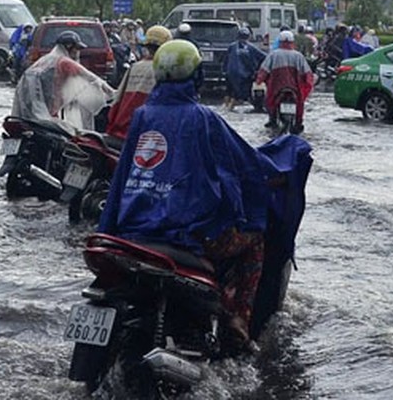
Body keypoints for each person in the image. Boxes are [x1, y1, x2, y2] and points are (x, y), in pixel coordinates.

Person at [98, 39, 273, 347]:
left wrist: (107, 229)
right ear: (197, 77)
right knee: (255, 240)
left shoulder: (143, 115)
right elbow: (245, 162)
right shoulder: (203, 118)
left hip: (132, 230)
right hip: (190, 235)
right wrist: (279, 168)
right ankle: (237, 321)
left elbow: (121, 177)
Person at [11, 30, 116, 130]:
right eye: (77, 48)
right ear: (69, 47)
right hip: (45, 114)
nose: (78, 52)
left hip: (29, 113)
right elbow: (91, 79)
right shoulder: (64, 62)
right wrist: (113, 94)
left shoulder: (45, 60)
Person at [105, 24, 171, 139]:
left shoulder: (135, 67)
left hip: (122, 131)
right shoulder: (165, 70)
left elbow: (116, 102)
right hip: (148, 134)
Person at [255, 30, 314, 132]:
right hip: (295, 89)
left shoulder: (273, 55)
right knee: (300, 103)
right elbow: (308, 74)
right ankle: (298, 122)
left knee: (270, 101)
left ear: (280, 42)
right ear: (292, 42)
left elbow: (263, 71)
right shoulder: (298, 56)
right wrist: (310, 84)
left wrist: (259, 81)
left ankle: (273, 120)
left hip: (276, 89)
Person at [224, 27, 265, 110]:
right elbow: (264, 56)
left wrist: (224, 71)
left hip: (230, 73)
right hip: (244, 75)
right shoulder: (251, 47)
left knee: (229, 92)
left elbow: (226, 60)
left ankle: (227, 106)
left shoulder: (231, 46)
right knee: (239, 93)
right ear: (248, 37)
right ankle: (231, 105)